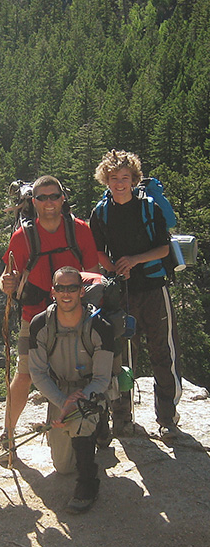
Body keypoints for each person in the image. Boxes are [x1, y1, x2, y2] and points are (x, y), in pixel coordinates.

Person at [0, 175, 99, 465]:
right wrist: (7, 284)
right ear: (34, 202)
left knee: (88, 374)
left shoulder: (80, 231)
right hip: (36, 317)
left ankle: (93, 427)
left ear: (63, 198)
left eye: (53, 196)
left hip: (75, 315)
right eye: (41, 198)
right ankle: (8, 434)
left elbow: (93, 276)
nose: (48, 203)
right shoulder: (22, 237)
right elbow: (7, 278)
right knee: (26, 374)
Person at [89, 150, 182, 440]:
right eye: (114, 178)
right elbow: (98, 251)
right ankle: (122, 417)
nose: (119, 184)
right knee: (123, 357)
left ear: (134, 179)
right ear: (106, 180)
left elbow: (164, 249)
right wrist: (114, 268)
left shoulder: (149, 208)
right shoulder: (100, 213)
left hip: (154, 287)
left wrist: (134, 260)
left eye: (125, 178)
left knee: (162, 351)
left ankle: (167, 416)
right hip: (123, 290)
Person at [29, 267, 114, 513]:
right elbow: (38, 373)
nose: (66, 294)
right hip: (60, 389)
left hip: (91, 390)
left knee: (81, 419)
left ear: (81, 291)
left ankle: (88, 483)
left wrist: (80, 400)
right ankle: (98, 426)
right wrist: (62, 401)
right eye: (61, 288)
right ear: (52, 291)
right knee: (63, 466)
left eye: (72, 288)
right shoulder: (40, 325)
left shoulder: (100, 326)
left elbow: (101, 378)